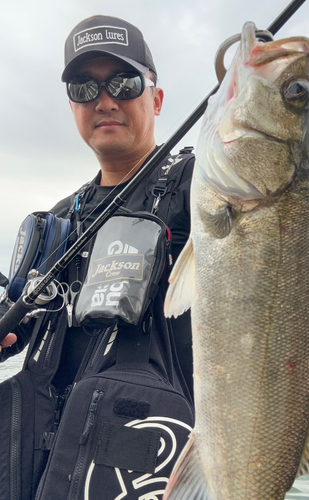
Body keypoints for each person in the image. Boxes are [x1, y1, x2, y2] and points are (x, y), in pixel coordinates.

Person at [0, 15, 194, 500]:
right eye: (84, 88)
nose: (104, 100)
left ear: (157, 98)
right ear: (72, 106)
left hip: (151, 468)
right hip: (48, 468)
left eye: (123, 83)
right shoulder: (62, 219)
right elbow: (19, 327)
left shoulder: (202, 188)